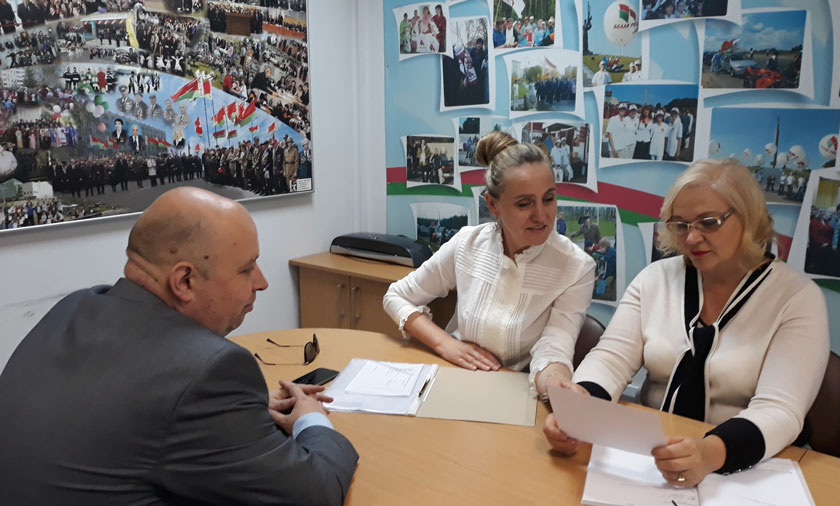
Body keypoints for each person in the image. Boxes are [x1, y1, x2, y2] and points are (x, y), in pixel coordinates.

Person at [0, 188, 359, 503]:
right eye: (247, 269)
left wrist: (233, 413)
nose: (262, 282)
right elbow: (316, 492)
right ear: (184, 281)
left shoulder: (75, 307)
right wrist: (310, 417)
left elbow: (134, 409)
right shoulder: (208, 372)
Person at [543, 159, 829, 487]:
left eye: (708, 223)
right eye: (680, 225)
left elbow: (780, 411)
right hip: (654, 456)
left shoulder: (796, 297)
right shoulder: (655, 279)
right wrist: (582, 405)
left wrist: (708, 454)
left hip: (748, 465)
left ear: (749, 219)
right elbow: (611, 360)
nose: (692, 238)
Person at [383, 131, 595, 395]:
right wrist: (445, 344)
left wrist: (555, 384)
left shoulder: (576, 267)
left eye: (549, 198)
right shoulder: (467, 243)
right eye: (524, 204)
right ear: (493, 205)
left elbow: (554, 349)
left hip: (515, 393)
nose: (541, 215)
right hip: (454, 380)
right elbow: (397, 296)